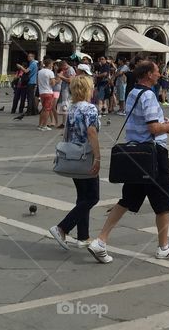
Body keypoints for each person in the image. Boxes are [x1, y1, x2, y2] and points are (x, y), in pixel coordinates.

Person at [87, 61, 169, 263]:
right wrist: (167, 126)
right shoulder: (149, 95)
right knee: (164, 201)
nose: (160, 75)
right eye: (157, 72)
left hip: (136, 154)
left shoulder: (133, 92)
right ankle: (163, 247)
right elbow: (153, 129)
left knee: (127, 200)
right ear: (148, 74)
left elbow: (142, 121)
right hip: (153, 154)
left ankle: (100, 240)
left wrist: (159, 120)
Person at [50, 75, 101, 251]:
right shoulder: (90, 109)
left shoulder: (72, 108)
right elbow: (92, 132)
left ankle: (83, 236)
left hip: (72, 156)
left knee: (83, 197)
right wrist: (98, 157)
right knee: (93, 197)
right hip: (86, 155)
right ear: (88, 89)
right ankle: (62, 227)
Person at [37, 58, 57, 132]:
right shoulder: (50, 72)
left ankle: (40, 124)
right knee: (47, 110)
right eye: (52, 64)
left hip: (42, 92)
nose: (52, 65)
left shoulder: (40, 71)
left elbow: (37, 81)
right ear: (49, 64)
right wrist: (55, 80)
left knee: (43, 109)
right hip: (48, 91)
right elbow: (53, 83)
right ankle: (44, 125)